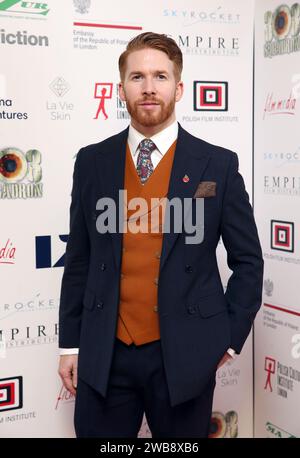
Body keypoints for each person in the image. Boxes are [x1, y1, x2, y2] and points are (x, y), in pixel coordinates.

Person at [58, 32, 264, 438]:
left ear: (179, 86)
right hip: (105, 355)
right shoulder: (92, 162)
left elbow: (248, 261)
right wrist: (71, 345)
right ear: (121, 89)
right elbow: (79, 260)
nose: (149, 88)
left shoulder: (217, 166)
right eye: (137, 77)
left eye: (160, 76)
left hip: (186, 354)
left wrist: (228, 338)